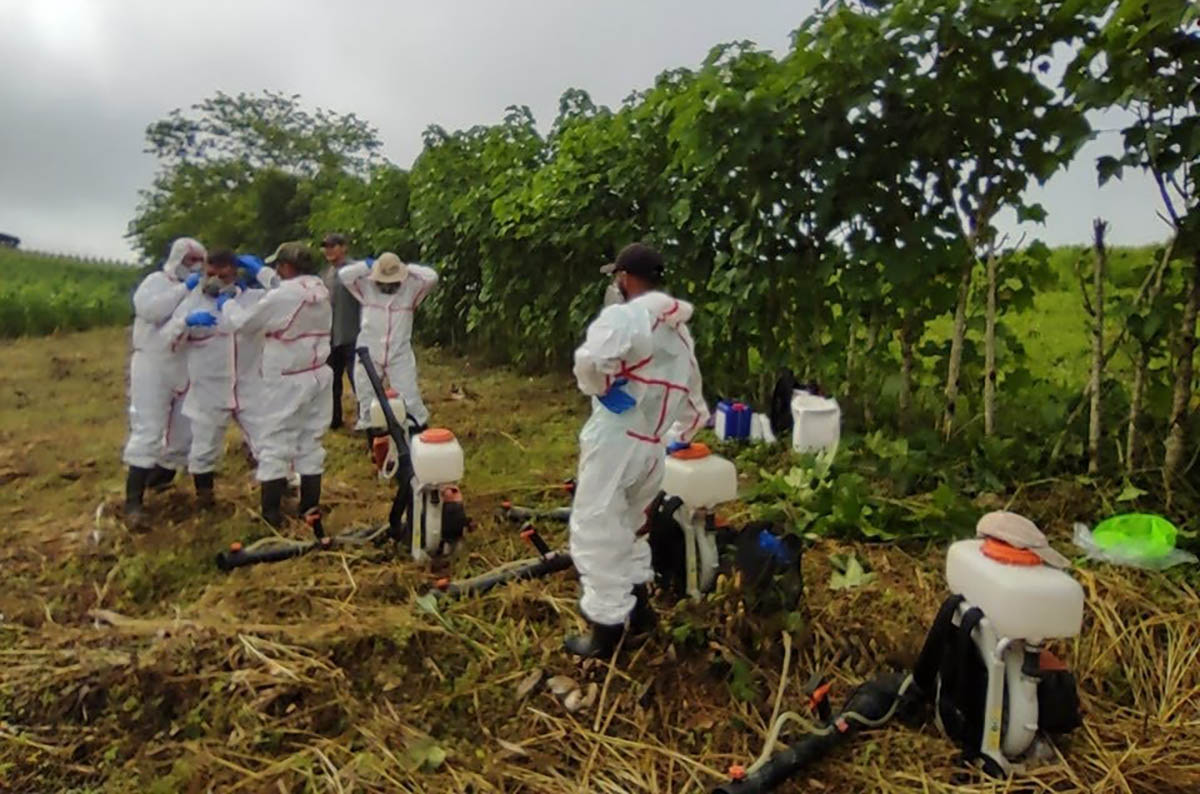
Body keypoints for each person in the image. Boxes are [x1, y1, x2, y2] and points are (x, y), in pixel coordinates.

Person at [566, 242, 709, 658]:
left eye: (617, 277)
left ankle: (607, 631)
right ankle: (640, 612)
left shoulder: (625, 317)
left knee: (596, 529)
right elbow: (695, 408)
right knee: (628, 528)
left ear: (625, 278)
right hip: (652, 448)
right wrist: (671, 436)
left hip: (615, 438)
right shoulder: (680, 336)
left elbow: (589, 362)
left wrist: (600, 388)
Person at [219, 242, 332, 528]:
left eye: (279, 266)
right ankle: (309, 508)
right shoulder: (319, 289)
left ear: (287, 267)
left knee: (275, 443)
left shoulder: (282, 296)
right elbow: (288, 291)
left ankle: (271, 515)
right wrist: (262, 273)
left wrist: (227, 302)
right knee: (310, 442)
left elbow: (244, 323)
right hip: (318, 374)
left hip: (286, 378)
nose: (277, 271)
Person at [164, 248, 278, 508]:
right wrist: (185, 324)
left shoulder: (253, 300)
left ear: (235, 273)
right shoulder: (191, 303)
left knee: (269, 441)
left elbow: (289, 296)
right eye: (210, 274)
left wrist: (262, 273)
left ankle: (279, 496)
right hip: (208, 389)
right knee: (204, 448)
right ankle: (205, 500)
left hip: (250, 384)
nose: (215, 281)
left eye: (223, 275)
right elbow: (166, 341)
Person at [122, 236, 206, 529]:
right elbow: (150, 310)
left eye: (198, 263)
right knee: (148, 429)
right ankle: (133, 503)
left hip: (182, 363)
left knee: (184, 433)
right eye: (190, 261)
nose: (194, 267)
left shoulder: (197, 290)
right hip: (151, 362)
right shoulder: (157, 282)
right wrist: (184, 289)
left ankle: (159, 485)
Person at [338, 252, 438, 433]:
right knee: (366, 393)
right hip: (369, 350)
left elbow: (431, 277)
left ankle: (414, 429)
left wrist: (406, 268)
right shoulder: (365, 286)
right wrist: (368, 265)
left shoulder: (411, 289)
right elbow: (344, 274)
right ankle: (374, 431)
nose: (387, 285)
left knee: (408, 394)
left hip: (399, 351)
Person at [319, 233, 361, 429]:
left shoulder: (356, 270)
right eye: (326, 247)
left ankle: (366, 418)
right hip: (331, 336)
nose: (329, 250)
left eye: (333, 246)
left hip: (353, 333)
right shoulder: (325, 274)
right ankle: (333, 419)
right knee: (331, 381)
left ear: (344, 247)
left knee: (358, 379)